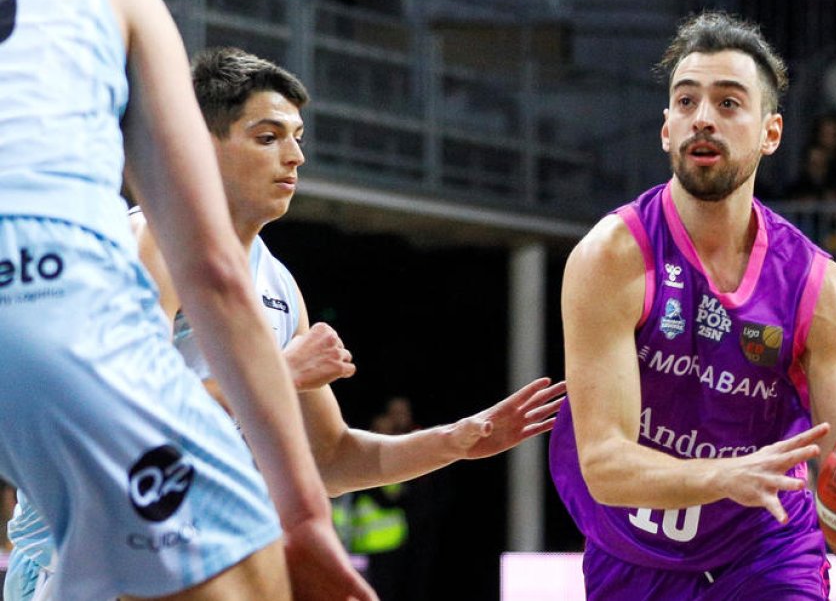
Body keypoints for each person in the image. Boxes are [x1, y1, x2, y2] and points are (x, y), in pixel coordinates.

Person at [5, 46, 565, 599]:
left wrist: (455, 441)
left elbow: (331, 459)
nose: (294, 155)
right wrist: (278, 373)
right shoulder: (156, 242)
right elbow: (114, 415)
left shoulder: (277, 285)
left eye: (299, 137)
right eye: (268, 137)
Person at [548, 12, 836, 600]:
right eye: (686, 101)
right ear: (666, 129)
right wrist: (723, 476)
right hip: (634, 554)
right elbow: (604, 465)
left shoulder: (819, 287)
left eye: (729, 103)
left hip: (769, 548)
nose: (703, 117)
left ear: (770, 133)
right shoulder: (612, 257)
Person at [0, 0, 374, 600]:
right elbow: (213, 270)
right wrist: (306, 516)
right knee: (245, 574)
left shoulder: (281, 280)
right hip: (51, 293)